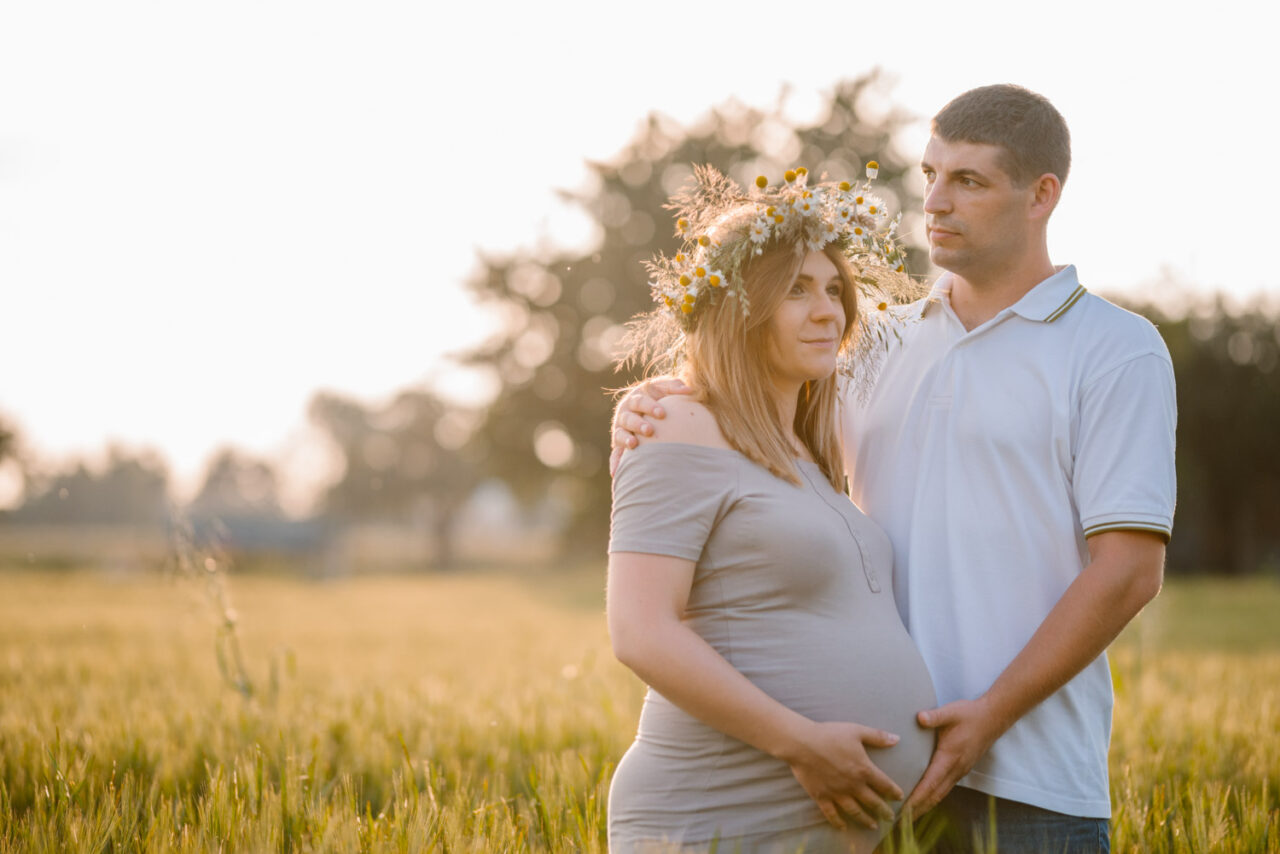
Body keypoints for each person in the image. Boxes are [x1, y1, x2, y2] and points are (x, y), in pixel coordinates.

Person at [611, 85, 1177, 854]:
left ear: (1043, 194)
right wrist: (652, 398)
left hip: (1028, 783)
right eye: (931, 174)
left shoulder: (1115, 348)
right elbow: (747, 425)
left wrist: (990, 716)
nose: (935, 202)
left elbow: (1128, 573)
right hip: (866, 789)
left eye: (969, 181)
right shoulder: (869, 346)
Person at [606, 166, 936, 852]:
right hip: (720, 808)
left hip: (819, 817)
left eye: (834, 290)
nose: (829, 311)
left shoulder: (807, 449)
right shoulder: (675, 424)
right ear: (742, 308)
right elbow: (640, 631)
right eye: (796, 291)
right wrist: (803, 743)